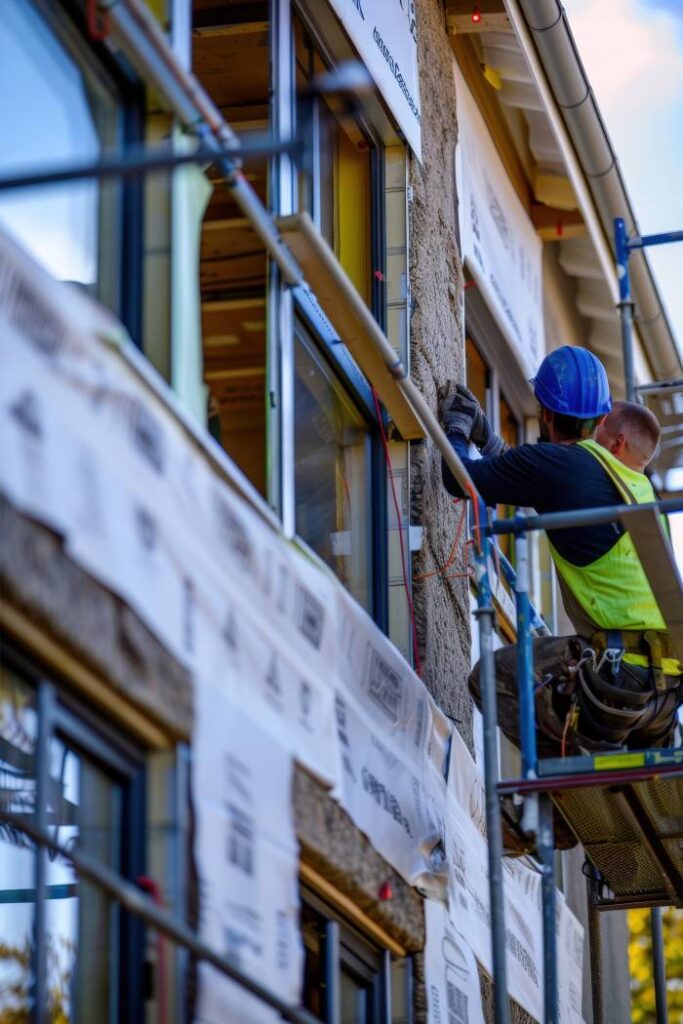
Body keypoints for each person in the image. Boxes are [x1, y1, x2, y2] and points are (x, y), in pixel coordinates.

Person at [440, 346, 681, 760]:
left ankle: (564, 776)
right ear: (602, 418)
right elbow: (547, 487)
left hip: (614, 681)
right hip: (664, 692)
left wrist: (457, 429)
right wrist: (490, 438)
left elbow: (460, 479)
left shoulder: (558, 467)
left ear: (545, 414)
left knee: (492, 679)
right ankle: (584, 785)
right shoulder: (634, 485)